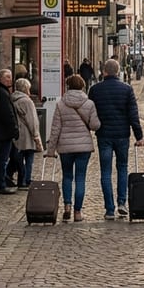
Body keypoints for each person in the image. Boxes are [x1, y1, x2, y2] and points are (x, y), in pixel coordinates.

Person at [88, 58, 144, 220]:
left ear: (104, 72)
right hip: (122, 135)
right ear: (118, 71)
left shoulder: (95, 90)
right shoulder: (126, 89)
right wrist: (139, 136)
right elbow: (133, 115)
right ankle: (122, 202)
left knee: (105, 172)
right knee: (122, 168)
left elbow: (90, 114)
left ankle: (109, 209)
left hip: (104, 136)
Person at [45, 74, 100, 223]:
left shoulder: (61, 104)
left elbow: (55, 129)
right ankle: (77, 213)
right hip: (83, 148)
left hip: (65, 147)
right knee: (80, 178)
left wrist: (50, 150)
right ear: (82, 86)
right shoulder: (89, 104)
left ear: (68, 86)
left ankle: (67, 206)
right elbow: (95, 126)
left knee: (67, 176)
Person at [0, 67, 20, 194]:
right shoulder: (2, 93)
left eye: (10, 77)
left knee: (5, 158)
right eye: (7, 77)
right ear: (0, 78)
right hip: (3, 133)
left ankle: (2, 180)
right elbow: (8, 114)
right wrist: (14, 129)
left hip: (1, 132)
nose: (10, 79)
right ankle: (0, 184)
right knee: (2, 159)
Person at [11, 77, 43, 190]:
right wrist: (36, 135)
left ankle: (21, 178)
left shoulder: (13, 98)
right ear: (25, 88)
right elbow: (32, 120)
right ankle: (25, 179)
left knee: (19, 157)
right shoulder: (27, 101)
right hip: (27, 133)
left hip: (18, 133)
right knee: (29, 158)